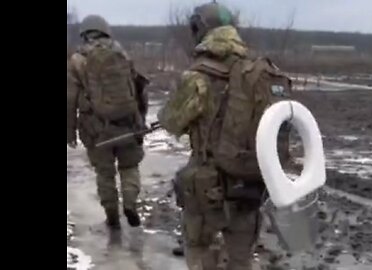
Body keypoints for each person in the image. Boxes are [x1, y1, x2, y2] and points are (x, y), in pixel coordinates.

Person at [158, 3, 292, 270]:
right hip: (248, 185)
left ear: (200, 30)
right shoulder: (258, 73)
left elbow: (171, 123)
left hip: (205, 188)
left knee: (199, 250)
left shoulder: (197, 76)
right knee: (241, 261)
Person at [67, 15, 149, 230]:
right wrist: (140, 120)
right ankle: (130, 204)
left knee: (105, 173)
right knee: (130, 167)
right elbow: (139, 89)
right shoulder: (121, 53)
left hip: (95, 128)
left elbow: (70, 98)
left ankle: (111, 215)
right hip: (127, 122)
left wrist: (70, 132)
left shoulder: (77, 60)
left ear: (84, 33)